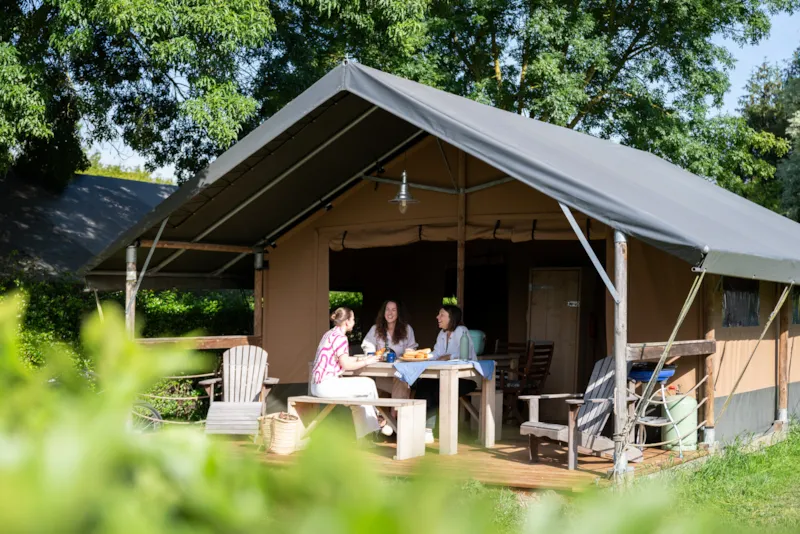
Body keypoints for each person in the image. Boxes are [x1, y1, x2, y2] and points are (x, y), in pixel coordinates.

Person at [310, 307, 392, 441]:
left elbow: (342, 359)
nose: (354, 322)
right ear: (347, 322)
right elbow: (346, 365)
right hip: (327, 385)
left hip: (318, 385)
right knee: (369, 383)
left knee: (360, 402)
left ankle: (365, 439)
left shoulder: (330, 334)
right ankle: (378, 419)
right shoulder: (341, 338)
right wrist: (366, 362)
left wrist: (363, 359)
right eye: (353, 319)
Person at [413, 305, 477, 444]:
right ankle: (423, 429)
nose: (437, 317)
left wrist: (449, 356)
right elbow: (436, 354)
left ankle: (430, 429)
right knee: (424, 383)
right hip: (443, 377)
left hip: (464, 378)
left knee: (437, 391)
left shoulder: (462, 331)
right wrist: (420, 355)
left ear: (451, 318)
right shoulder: (442, 334)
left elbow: (466, 354)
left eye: (441, 315)